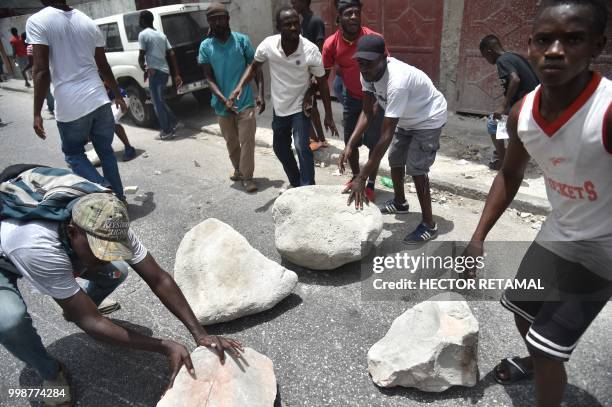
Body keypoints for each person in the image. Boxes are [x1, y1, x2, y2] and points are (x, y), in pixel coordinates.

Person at [464, 1, 611, 406]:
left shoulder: (607, 111)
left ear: (597, 45)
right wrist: (478, 238)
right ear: (529, 46)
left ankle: (544, 369)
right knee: (519, 308)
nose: (556, 50)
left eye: (574, 39)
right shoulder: (521, 115)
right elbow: (510, 175)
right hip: (558, 232)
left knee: (549, 347)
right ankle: (536, 363)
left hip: (603, 249)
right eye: (545, 40)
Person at [0, 192, 243, 405]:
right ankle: (50, 371)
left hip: (60, 252)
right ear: (73, 231)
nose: (105, 258)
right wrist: (163, 346)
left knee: (117, 270)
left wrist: (199, 333)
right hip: (7, 259)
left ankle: (74, 303)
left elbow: (158, 278)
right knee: (9, 322)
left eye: (111, 248)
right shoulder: (33, 244)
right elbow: (91, 325)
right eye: (99, 251)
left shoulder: (109, 219)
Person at [341, 35, 447, 244]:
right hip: (407, 117)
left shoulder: (397, 81)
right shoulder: (366, 74)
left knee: (416, 169)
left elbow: (386, 133)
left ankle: (429, 224)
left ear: (384, 58)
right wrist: (350, 144)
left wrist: (362, 177)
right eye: (361, 63)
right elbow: (367, 113)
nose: (364, 69)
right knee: (395, 159)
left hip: (428, 118)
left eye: (369, 64)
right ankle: (400, 203)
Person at [27, 0, 128, 202]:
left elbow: (41, 71)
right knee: (106, 151)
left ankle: (104, 190)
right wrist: (116, 95)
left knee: (73, 154)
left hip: (71, 105)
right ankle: (119, 197)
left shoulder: (37, 21)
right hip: (99, 100)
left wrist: (37, 112)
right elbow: (103, 65)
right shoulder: (88, 21)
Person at [230, 7, 338, 188]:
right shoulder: (268, 45)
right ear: (279, 27)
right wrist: (240, 86)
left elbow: (322, 83)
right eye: (288, 24)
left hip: (300, 107)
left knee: (302, 147)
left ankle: (308, 187)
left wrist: (328, 114)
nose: (294, 27)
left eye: (296, 23)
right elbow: (254, 67)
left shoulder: (310, 50)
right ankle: (296, 183)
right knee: (280, 148)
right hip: (279, 107)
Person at [198, 3, 264, 193]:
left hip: (245, 102)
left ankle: (247, 177)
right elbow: (208, 77)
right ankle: (238, 169)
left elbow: (255, 68)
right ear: (209, 22)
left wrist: (260, 93)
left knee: (247, 141)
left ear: (228, 19)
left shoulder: (242, 41)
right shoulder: (206, 46)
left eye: (221, 18)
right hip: (221, 105)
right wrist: (222, 98)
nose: (218, 22)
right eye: (214, 19)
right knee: (232, 142)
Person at [323, 0, 386, 202]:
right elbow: (323, 76)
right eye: (348, 13)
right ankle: (356, 175)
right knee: (351, 142)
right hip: (351, 98)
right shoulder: (331, 44)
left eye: (356, 13)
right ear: (339, 18)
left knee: (374, 143)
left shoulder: (373, 39)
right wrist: (322, 108)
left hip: (376, 98)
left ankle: (370, 184)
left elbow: (387, 70)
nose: (353, 17)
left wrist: (381, 101)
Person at [480, 34, 539, 169]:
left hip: (525, 104)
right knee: (506, 126)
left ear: (489, 51)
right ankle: (508, 155)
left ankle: (504, 162)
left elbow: (515, 79)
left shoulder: (502, 60)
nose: (487, 60)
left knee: (493, 123)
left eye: (485, 57)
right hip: (532, 101)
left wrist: (503, 105)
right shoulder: (513, 56)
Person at [138, 10, 183, 140]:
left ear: (143, 20)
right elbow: (172, 53)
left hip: (155, 72)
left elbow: (141, 54)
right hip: (164, 71)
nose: (138, 22)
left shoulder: (143, 34)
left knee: (157, 102)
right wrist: (176, 74)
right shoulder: (161, 35)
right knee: (159, 100)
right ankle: (174, 122)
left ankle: (167, 131)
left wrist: (143, 66)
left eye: (140, 19)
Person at [291, 0, 328, 151]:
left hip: (312, 71)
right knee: (309, 106)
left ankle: (320, 139)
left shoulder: (315, 21)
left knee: (309, 105)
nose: (293, 4)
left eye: (295, 2)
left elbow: (320, 48)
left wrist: (314, 74)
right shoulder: (302, 21)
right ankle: (317, 138)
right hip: (303, 71)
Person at [105, 83, 136, 161]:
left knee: (112, 120)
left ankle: (129, 148)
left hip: (120, 97)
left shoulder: (95, 73)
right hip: (107, 102)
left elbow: (107, 84)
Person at [25, 40, 55, 115]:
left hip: (40, 71)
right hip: (52, 68)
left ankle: (52, 107)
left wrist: (25, 70)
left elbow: (32, 63)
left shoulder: (30, 47)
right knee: (51, 89)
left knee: (45, 90)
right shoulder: (46, 43)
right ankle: (51, 105)